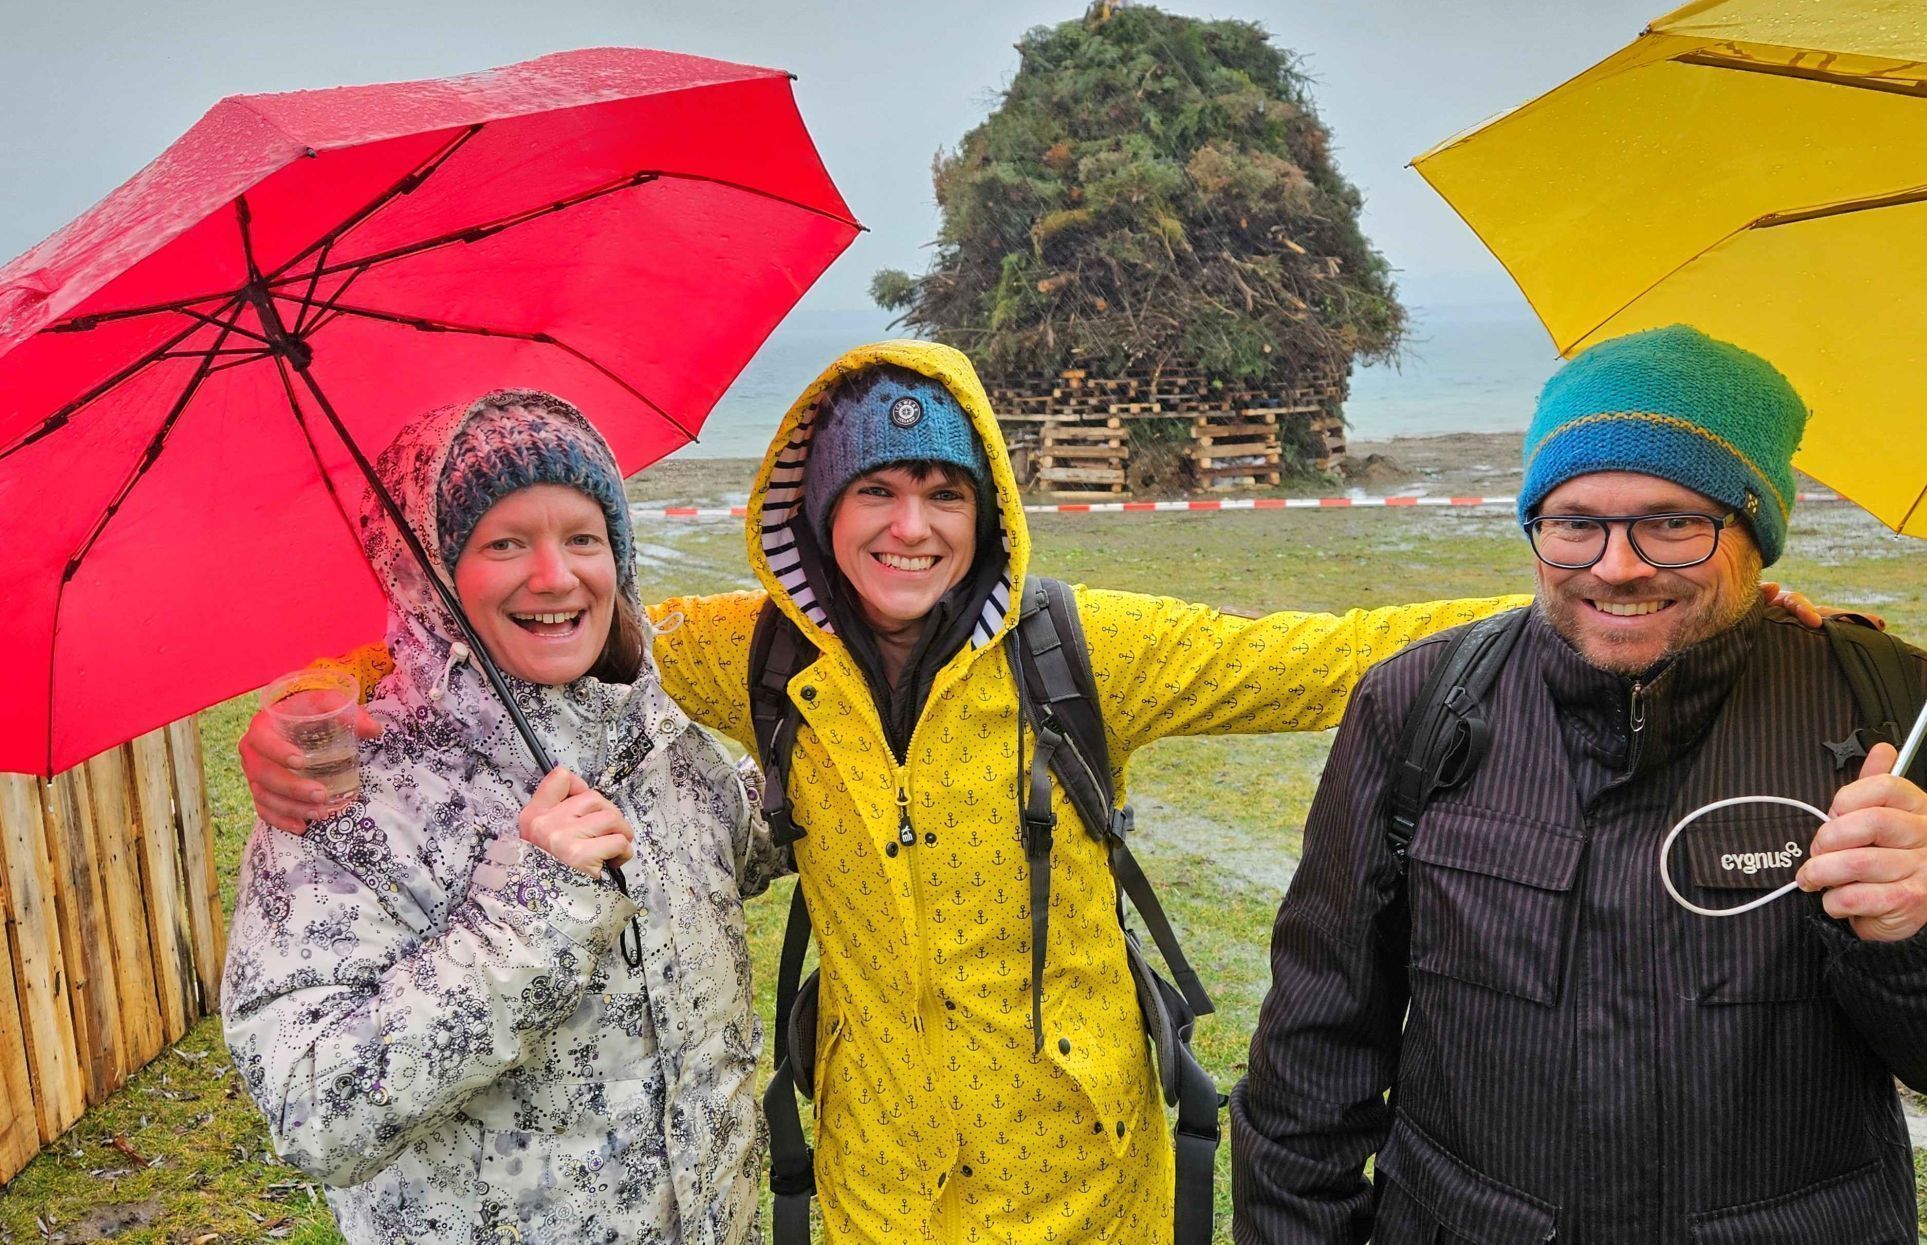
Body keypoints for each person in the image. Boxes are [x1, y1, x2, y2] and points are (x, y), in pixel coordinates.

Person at [241, 342, 1831, 1243]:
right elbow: (503, 622)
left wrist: (1622, 599)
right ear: (816, 510)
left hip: (1088, 1175)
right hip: (872, 1182)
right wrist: (318, 685)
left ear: (989, 503)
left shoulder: (1081, 648)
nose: (912, 527)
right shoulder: (740, 655)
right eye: (878, 490)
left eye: (945, 490)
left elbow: (1317, 655)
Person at [1229, 325, 1927, 1244]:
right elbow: (1313, 1055)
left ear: (1756, 534)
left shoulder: (1901, 713)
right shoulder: (1417, 704)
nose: (1618, 566)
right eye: (1575, 522)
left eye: (1673, 522)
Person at [221, 391, 783, 1244]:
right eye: (505, 543)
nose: (555, 576)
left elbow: (739, 838)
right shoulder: (343, 798)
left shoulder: (654, 734)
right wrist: (529, 915)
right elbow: (312, 1110)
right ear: (431, 575)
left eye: (583, 538)